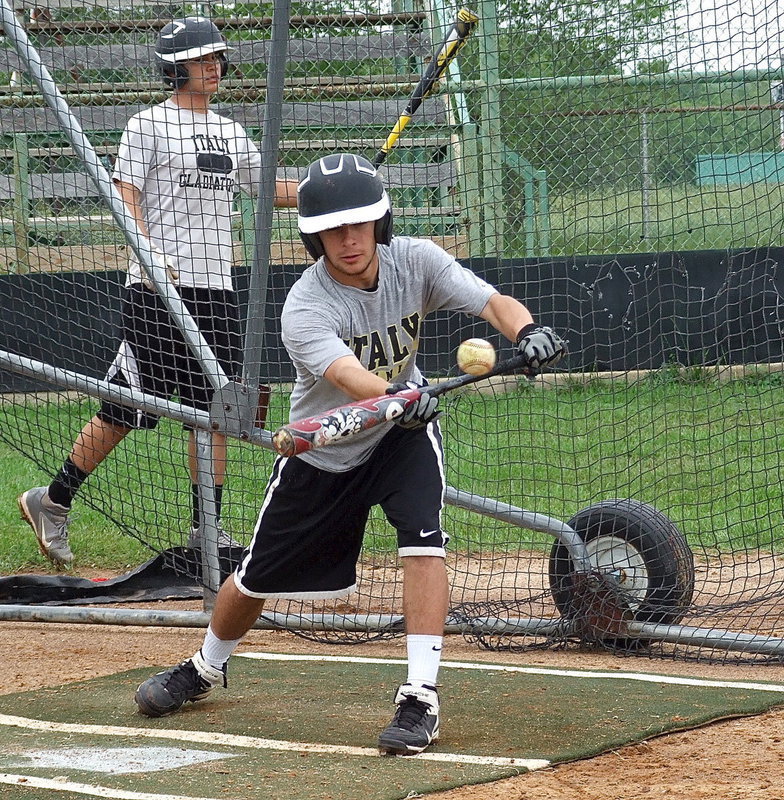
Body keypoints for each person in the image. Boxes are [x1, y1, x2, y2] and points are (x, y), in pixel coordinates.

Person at [131, 152, 565, 755]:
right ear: (314, 236)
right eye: (333, 229)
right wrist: (395, 394)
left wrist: (526, 333)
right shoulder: (306, 305)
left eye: (360, 224)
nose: (349, 239)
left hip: (401, 437)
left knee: (423, 543)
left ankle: (419, 697)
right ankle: (206, 666)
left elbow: (492, 303)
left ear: (380, 224)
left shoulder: (416, 259)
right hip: (324, 448)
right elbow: (348, 374)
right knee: (256, 577)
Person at [17, 16, 297, 566]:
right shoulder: (146, 125)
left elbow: (271, 191)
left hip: (217, 288)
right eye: (202, 59)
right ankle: (52, 501)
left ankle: (206, 533)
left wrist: (330, 185)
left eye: (218, 57)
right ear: (175, 68)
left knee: (217, 409)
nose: (214, 66)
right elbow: (125, 197)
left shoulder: (233, 129)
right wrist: (151, 256)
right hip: (157, 288)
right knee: (126, 408)